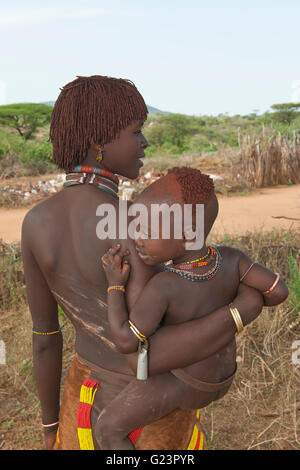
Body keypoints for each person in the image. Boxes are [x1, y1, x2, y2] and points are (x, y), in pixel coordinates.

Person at [21, 75, 264, 451]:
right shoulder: (141, 226)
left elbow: (44, 338)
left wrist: (51, 424)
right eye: (136, 132)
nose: (144, 143)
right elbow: (182, 322)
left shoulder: (34, 223)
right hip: (151, 412)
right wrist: (241, 310)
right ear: (98, 140)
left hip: (81, 406)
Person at [97, 166, 289, 450]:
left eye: (146, 230)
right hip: (223, 377)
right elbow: (278, 291)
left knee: (108, 429)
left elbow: (127, 340)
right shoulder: (232, 259)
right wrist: (244, 302)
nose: (136, 237)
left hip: (185, 385)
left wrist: (114, 285)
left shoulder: (164, 286)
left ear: (187, 235)